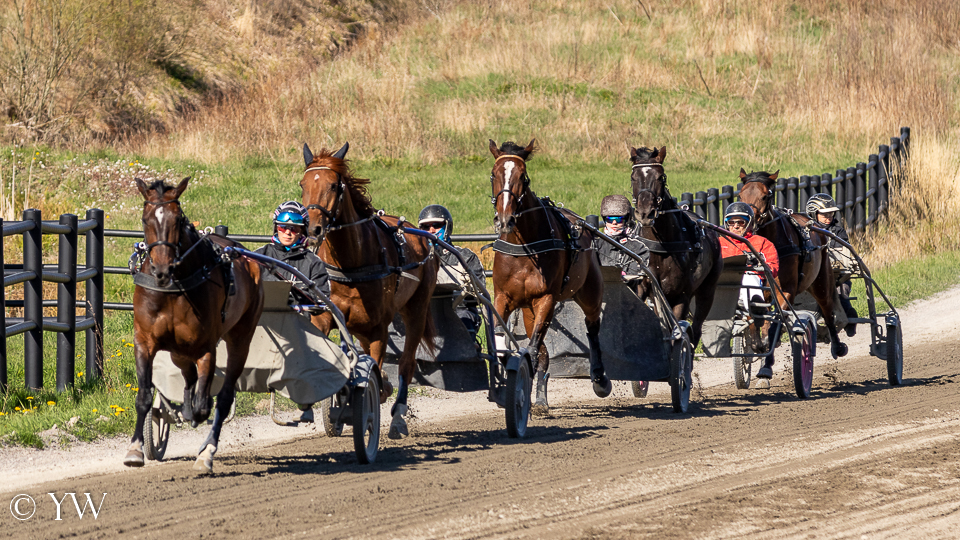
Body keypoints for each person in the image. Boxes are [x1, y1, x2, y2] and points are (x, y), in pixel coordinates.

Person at [255, 200, 330, 423]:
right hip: (259, 324)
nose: (288, 232)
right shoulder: (259, 256)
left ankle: (305, 402)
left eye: (294, 229)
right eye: (282, 227)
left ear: (302, 231)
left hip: (296, 325)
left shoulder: (313, 263)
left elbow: (321, 298)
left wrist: (293, 294)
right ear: (275, 228)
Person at [720, 202, 780, 378]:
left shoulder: (761, 243)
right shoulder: (719, 242)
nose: (736, 226)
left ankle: (756, 306)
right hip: (722, 285)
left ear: (749, 223)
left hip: (748, 281)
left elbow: (773, 266)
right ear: (726, 223)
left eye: (740, 222)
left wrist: (760, 264)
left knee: (748, 276)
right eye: (732, 222)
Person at [418, 204, 484, 340]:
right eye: (426, 227)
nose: (431, 230)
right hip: (425, 310)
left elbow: (481, 292)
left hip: (460, 309)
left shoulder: (465, 257)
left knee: (464, 323)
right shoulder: (416, 260)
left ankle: (470, 352)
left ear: (447, 227)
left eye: (436, 225)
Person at [806, 193, 858, 337]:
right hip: (814, 277)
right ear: (813, 213)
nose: (829, 217)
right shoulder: (805, 232)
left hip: (837, 276)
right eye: (824, 214)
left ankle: (850, 318)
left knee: (841, 294)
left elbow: (843, 253)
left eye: (831, 213)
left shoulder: (838, 231)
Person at [594, 194, 650, 285]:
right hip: (598, 292)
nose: (614, 222)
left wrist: (623, 276)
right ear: (605, 220)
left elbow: (637, 276)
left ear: (626, 220)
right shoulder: (595, 245)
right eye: (610, 219)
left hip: (626, 293)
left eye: (618, 219)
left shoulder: (639, 248)